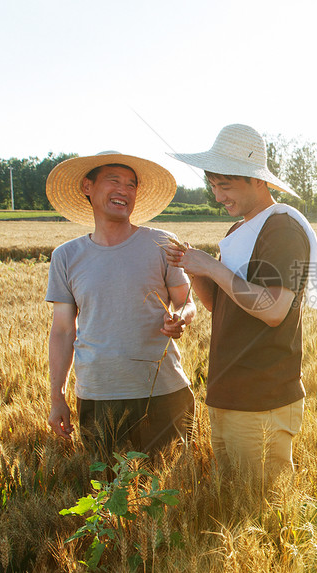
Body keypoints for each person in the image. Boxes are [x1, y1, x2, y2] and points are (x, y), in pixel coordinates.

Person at [163, 124, 317, 479]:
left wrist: (211, 265)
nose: (218, 196)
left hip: (263, 396)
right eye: (213, 186)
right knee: (234, 500)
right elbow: (218, 305)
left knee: (262, 507)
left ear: (257, 180)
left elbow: (272, 310)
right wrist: (195, 269)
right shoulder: (239, 231)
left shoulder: (281, 229)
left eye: (225, 186)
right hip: (227, 391)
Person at [44, 151, 196, 462]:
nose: (124, 190)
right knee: (107, 494)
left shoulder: (162, 243)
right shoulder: (66, 256)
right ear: (88, 186)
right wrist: (56, 396)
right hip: (98, 396)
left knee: (169, 496)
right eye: (114, 181)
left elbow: (186, 301)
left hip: (164, 392)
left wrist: (179, 319)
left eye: (131, 184)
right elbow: (62, 330)